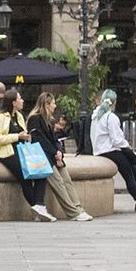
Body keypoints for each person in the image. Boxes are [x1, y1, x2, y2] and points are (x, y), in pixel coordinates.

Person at [90, 89, 136, 212]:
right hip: (111, 151)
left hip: (100, 150)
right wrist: (127, 147)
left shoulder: (95, 116)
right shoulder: (111, 117)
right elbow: (117, 140)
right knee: (131, 170)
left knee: (134, 165)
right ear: (114, 102)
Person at [0, 88, 56, 221]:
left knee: (40, 171)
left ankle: (39, 207)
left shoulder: (19, 116)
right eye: (20, 98)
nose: (22, 101)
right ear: (13, 102)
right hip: (6, 153)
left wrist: (26, 136)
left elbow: (24, 132)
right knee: (24, 177)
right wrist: (17, 136)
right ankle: (39, 207)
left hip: (22, 150)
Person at [27, 93, 92, 221]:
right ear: (46, 104)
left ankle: (79, 209)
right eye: (53, 103)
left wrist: (59, 151)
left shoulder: (49, 120)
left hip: (54, 155)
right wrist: (55, 153)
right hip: (44, 158)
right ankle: (73, 213)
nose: (55, 106)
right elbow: (39, 140)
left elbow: (54, 139)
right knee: (58, 183)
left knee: (67, 180)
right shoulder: (35, 119)